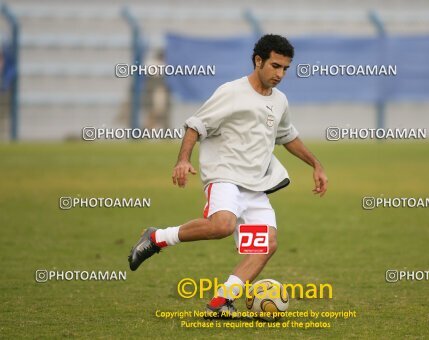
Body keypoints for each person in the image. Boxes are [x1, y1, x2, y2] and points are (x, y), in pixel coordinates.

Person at [128, 34, 328, 317]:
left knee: (266, 245)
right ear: (258, 61)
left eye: (285, 68)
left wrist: (316, 165)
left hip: (256, 186)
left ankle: (220, 303)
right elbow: (195, 125)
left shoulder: (280, 100)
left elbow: (286, 136)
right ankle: (157, 237)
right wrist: (183, 160)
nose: (280, 74)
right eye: (275, 66)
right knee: (222, 225)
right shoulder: (231, 92)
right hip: (225, 177)